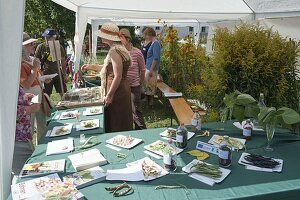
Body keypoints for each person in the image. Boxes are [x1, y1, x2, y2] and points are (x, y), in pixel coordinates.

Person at [81, 23, 133, 133]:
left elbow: (117, 76)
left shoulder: (115, 50)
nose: (100, 37)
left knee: (118, 123)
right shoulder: (119, 49)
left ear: (108, 37)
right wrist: (91, 67)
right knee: (119, 121)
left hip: (117, 91)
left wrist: (109, 95)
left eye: (102, 34)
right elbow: (108, 68)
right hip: (120, 89)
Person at [21, 32, 50, 144]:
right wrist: (34, 68)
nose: (33, 46)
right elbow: (26, 84)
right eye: (30, 44)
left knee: (41, 122)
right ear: (23, 47)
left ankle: (42, 146)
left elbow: (36, 78)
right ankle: (30, 150)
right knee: (30, 124)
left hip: (38, 94)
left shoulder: (32, 59)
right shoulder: (20, 63)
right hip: (29, 97)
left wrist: (43, 79)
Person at [120, 28, 147, 129]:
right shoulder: (119, 52)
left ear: (128, 39)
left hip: (134, 87)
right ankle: (129, 133)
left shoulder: (137, 52)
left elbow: (143, 70)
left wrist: (139, 84)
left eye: (122, 38)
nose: (120, 41)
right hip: (122, 87)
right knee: (125, 112)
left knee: (136, 112)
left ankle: (143, 132)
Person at [12, 87, 40, 177]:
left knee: (31, 170)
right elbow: (7, 111)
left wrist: (24, 97)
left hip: (23, 136)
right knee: (25, 175)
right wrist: (30, 109)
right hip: (14, 140)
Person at [35, 28, 67, 98]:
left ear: (54, 37)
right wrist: (41, 75)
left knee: (63, 94)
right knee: (46, 96)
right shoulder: (40, 47)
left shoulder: (59, 47)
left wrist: (64, 74)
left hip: (57, 73)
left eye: (49, 37)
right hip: (46, 74)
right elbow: (36, 62)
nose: (46, 39)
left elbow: (63, 61)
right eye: (45, 37)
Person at [143, 27, 161, 108]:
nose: (145, 37)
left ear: (150, 34)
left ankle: (151, 104)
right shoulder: (153, 42)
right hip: (149, 67)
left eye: (146, 35)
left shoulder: (156, 43)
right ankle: (148, 103)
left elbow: (156, 58)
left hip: (152, 69)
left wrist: (151, 70)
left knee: (151, 86)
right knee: (148, 86)